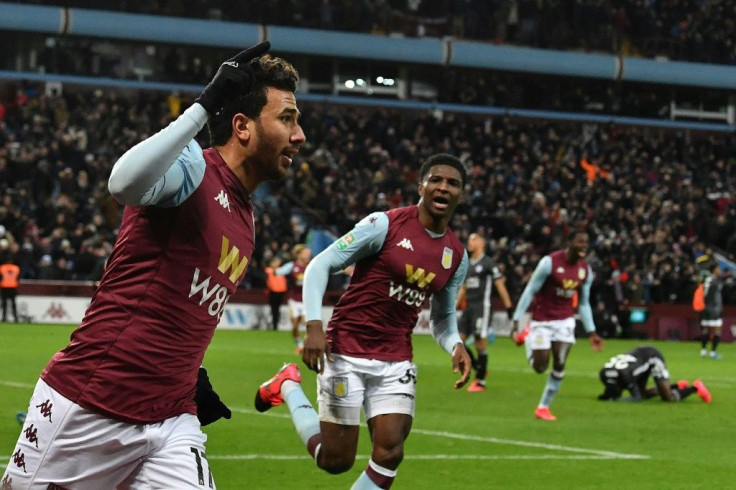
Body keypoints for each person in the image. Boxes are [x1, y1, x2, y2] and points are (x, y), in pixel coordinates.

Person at [3, 42, 306, 489]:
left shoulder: (246, 218)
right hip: (91, 405)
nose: (299, 136)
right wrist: (205, 105)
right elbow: (122, 182)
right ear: (241, 126)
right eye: (287, 119)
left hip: (171, 420)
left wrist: (185, 375)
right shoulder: (193, 169)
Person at [254, 153, 472, 490]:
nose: (443, 187)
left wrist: (455, 344)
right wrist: (314, 326)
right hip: (346, 350)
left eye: (452, 183)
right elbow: (319, 266)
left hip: (396, 358)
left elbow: (443, 317)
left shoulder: (456, 255)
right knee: (335, 460)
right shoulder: (383, 225)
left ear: (461, 194)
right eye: (436, 180)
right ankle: (287, 385)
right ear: (421, 186)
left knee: (390, 454)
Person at [510, 230, 604, 421]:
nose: (584, 246)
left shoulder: (585, 270)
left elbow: (584, 303)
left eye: (586, 242)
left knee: (560, 363)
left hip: (565, 321)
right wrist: (516, 320)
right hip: (541, 321)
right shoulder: (549, 263)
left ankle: (543, 407)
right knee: (540, 367)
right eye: (580, 241)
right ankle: (528, 337)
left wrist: (592, 331)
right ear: (569, 242)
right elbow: (530, 291)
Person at [455, 232, 513, 392]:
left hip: (483, 307)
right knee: (458, 341)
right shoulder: (468, 264)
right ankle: (480, 367)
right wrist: (454, 306)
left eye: (473, 240)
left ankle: (480, 381)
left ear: (482, 243)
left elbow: (500, 285)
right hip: (469, 308)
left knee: (480, 342)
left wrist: (508, 306)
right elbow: (464, 288)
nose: (470, 243)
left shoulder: (488, 264)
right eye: (469, 240)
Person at [598, 345, 711, 403]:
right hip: (639, 359)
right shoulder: (604, 374)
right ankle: (677, 386)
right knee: (643, 394)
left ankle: (696, 387)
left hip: (652, 357)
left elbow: (636, 398)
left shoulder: (624, 377)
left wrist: (617, 400)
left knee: (668, 397)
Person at [272, 243, 312, 353]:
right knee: (295, 326)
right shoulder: (292, 266)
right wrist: (275, 268)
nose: (308, 255)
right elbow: (277, 272)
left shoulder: (311, 265)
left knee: (305, 322)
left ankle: (307, 344)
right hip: (293, 300)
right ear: (299, 254)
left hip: (305, 300)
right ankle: (299, 345)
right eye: (306, 253)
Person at [695, 255, 724, 359]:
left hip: (705, 309)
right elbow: (715, 298)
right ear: (714, 270)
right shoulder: (715, 282)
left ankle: (703, 351)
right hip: (713, 309)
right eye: (718, 269)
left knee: (705, 330)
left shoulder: (706, 280)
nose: (720, 270)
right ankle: (713, 352)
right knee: (717, 330)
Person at [264, 255, 288, 331]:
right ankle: (274, 324)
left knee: (276, 309)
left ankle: (275, 324)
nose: (277, 263)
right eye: (275, 262)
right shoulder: (269, 270)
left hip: (280, 293)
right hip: (272, 292)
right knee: (274, 309)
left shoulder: (281, 271)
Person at [0, 257, 20, 323]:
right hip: (13, 287)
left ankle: (4, 317)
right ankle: (15, 318)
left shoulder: (2, 268)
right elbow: (18, 278)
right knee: (13, 304)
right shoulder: (16, 268)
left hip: (4, 287)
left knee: (4, 304)